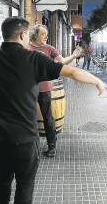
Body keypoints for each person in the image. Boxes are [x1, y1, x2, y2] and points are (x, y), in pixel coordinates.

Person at [0, 17, 107, 204]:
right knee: (25, 184)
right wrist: (97, 81)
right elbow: (72, 72)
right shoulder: (34, 59)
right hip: (26, 139)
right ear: (21, 34)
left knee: (3, 181)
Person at [28, 24, 82, 157]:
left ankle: (51, 146)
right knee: (29, 118)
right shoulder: (25, 48)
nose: (46, 37)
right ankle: (31, 146)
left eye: (46, 34)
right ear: (35, 35)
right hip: (28, 89)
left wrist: (73, 56)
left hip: (44, 89)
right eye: (43, 34)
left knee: (48, 118)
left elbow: (61, 62)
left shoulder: (49, 49)